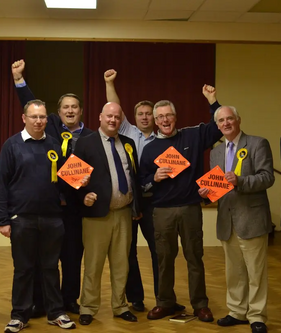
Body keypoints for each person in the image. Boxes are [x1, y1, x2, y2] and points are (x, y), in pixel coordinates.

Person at [11, 60, 91, 315]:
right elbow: (32, 105)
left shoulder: (90, 137)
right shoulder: (52, 128)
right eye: (65, 107)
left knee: (71, 258)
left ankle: (68, 300)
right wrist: (19, 80)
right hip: (50, 207)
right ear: (57, 113)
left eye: (74, 107)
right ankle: (40, 302)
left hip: (76, 208)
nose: (70, 110)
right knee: (41, 260)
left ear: (81, 111)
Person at [104, 69, 186, 313]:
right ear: (134, 117)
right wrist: (109, 83)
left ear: (156, 117)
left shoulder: (165, 139)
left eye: (148, 114)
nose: (144, 117)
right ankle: (136, 298)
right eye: (139, 113)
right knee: (129, 253)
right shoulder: (127, 132)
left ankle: (163, 299)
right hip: (131, 201)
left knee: (159, 252)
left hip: (155, 203)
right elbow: (114, 105)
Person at [139, 86, 222, 322]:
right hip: (162, 211)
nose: (165, 120)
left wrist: (212, 100)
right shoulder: (150, 148)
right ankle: (164, 302)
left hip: (190, 208)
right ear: (155, 121)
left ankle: (200, 304)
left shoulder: (193, 135)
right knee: (164, 258)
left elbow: (218, 128)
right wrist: (153, 178)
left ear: (175, 117)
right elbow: (141, 181)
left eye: (169, 115)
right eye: (160, 117)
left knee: (194, 257)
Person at [0, 99, 76, 332]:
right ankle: (20, 315)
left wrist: (81, 182)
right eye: (34, 117)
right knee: (23, 269)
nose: (39, 121)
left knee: (51, 268)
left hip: (52, 219)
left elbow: (64, 180)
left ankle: (56, 312)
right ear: (24, 118)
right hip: (22, 219)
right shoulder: (12, 145)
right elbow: (1, 184)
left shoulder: (55, 144)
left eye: (42, 117)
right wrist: (3, 220)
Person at [200, 105, 274, 333]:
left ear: (238, 120)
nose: (226, 124)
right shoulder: (215, 152)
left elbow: (267, 177)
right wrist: (207, 193)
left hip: (252, 218)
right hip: (227, 220)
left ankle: (257, 315)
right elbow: (219, 188)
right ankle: (236, 311)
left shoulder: (257, 143)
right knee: (234, 271)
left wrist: (240, 180)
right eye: (221, 121)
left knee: (255, 272)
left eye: (229, 119)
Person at [74, 102, 142, 326]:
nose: (113, 120)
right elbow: (73, 178)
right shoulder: (85, 143)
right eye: (109, 116)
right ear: (100, 117)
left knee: (122, 264)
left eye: (117, 117)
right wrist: (83, 195)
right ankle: (88, 307)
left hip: (124, 213)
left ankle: (120, 306)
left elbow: (134, 176)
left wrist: (137, 207)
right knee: (93, 264)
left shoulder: (129, 143)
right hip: (96, 215)